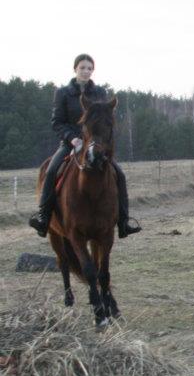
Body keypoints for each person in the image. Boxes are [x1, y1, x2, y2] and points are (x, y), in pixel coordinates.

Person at [29, 54, 141, 238]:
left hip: (95, 144)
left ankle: (124, 221)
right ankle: (43, 217)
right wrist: (72, 138)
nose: (86, 71)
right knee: (51, 171)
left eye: (89, 68)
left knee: (119, 174)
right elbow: (57, 122)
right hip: (70, 143)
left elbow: (104, 120)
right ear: (75, 69)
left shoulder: (100, 93)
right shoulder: (63, 93)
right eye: (82, 67)